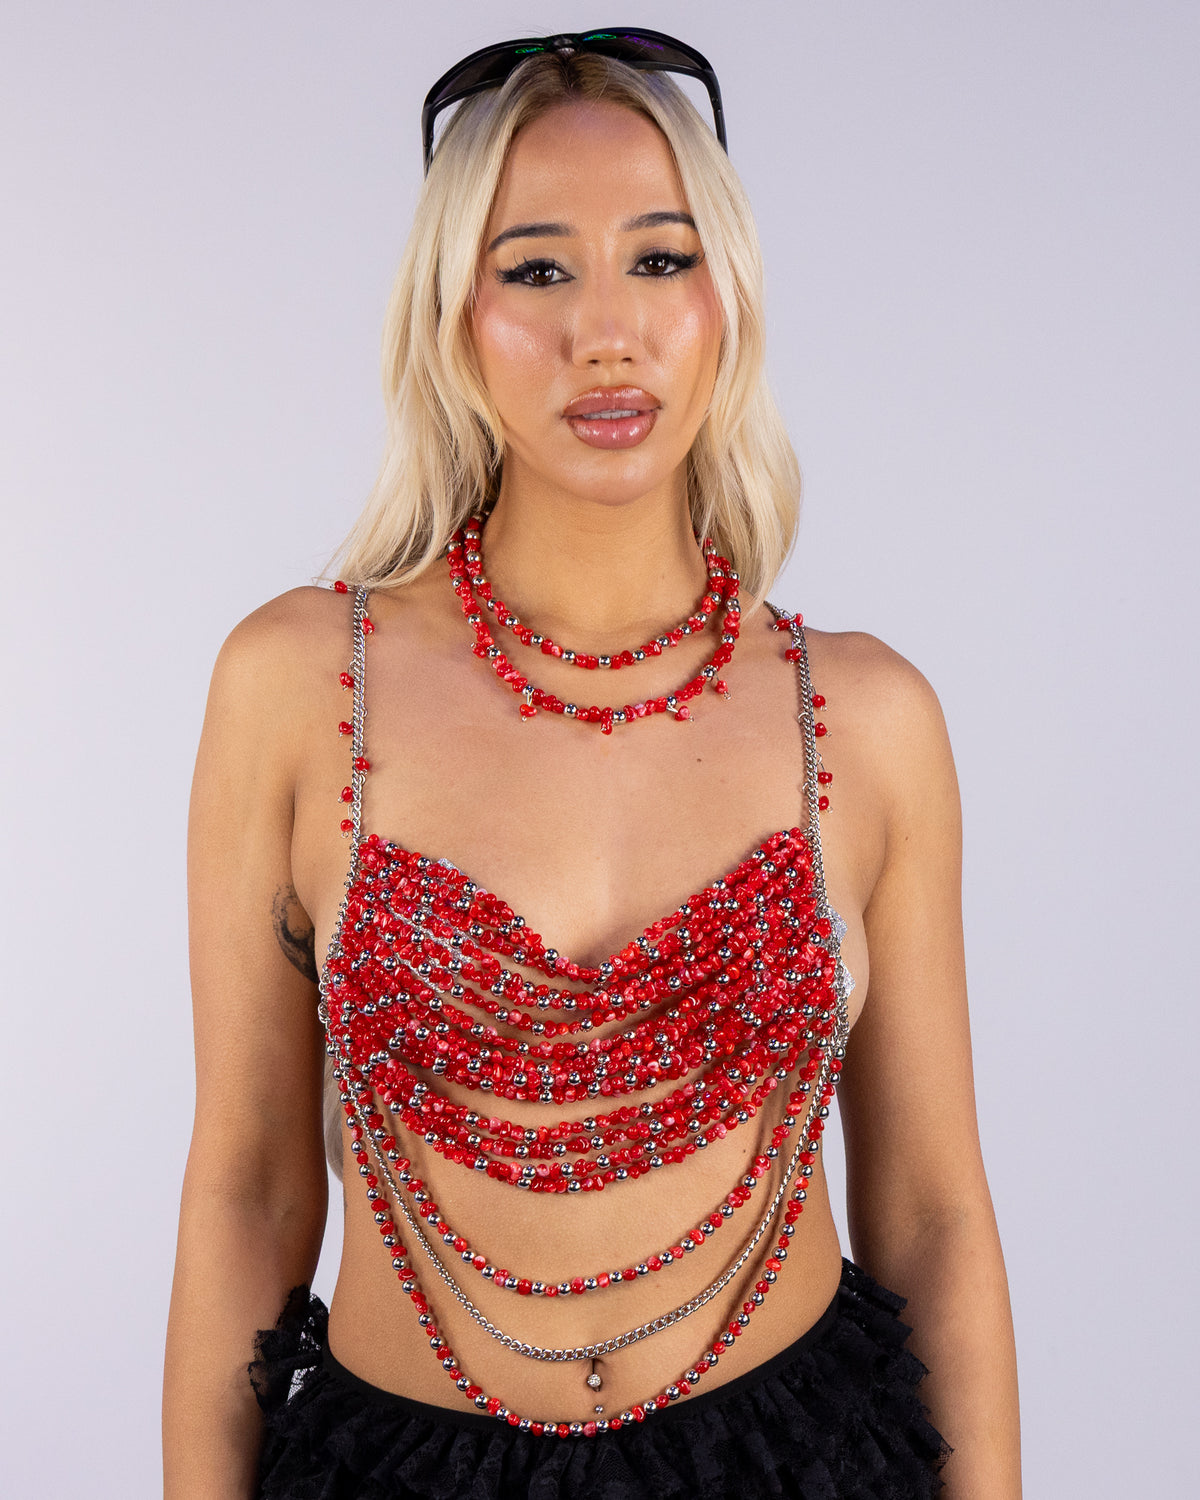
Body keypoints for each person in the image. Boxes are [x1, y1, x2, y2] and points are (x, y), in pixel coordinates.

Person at [163, 30, 1020, 1500]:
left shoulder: (865, 718)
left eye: (661, 261)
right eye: (539, 270)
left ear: (728, 300)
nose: (607, 334)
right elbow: (247, 1191)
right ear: (452, 317)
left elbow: (934, 1218)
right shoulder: (300, 687)